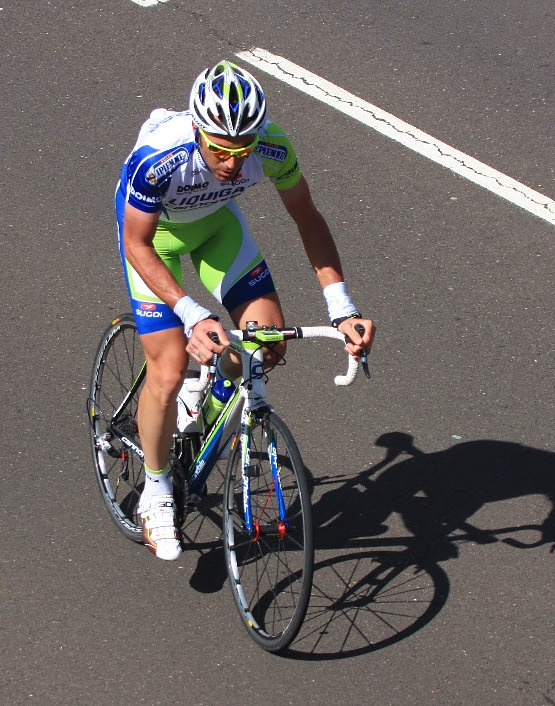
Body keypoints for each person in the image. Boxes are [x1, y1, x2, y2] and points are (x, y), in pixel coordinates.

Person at [115, 60, 375, 561]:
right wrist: (192, 312)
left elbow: (308, 219)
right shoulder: (158, 157)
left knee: (266, 346)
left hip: (216, 227)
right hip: (155, 242)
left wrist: (342, 308)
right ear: (197, 129)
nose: (233, 164)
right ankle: (156, 488)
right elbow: (137, 243)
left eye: (243, 150)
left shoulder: (273, 147)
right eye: (219, 149)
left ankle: (202, 410)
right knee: (167, 372)